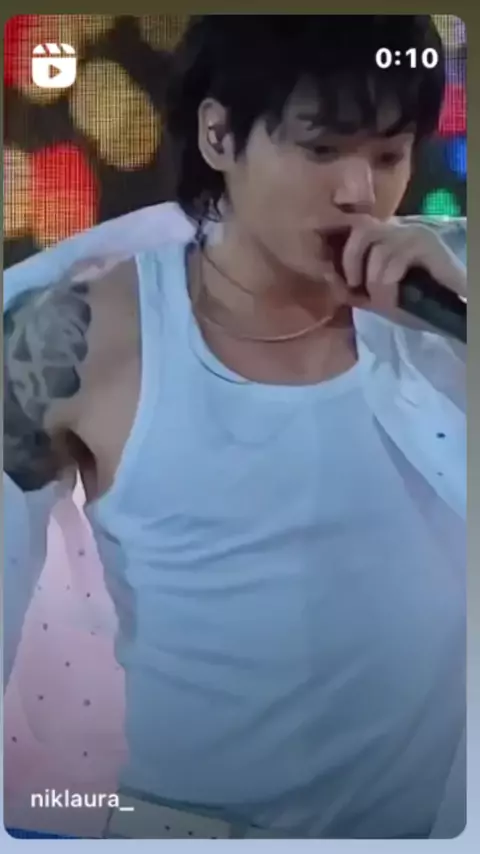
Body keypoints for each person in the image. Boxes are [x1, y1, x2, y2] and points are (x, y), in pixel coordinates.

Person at [4, 15, 466, 840]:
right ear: (219, 135)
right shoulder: (82, 334)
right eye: (322, 149)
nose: (359, 192)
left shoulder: (446, 296)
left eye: (389, 155)